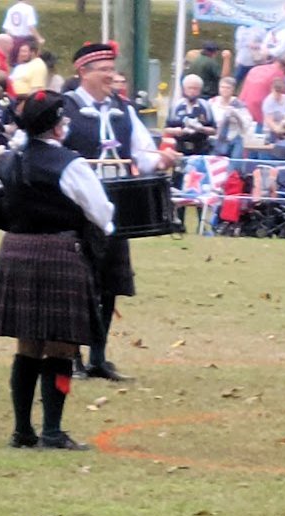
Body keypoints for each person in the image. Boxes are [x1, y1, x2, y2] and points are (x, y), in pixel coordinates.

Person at [0, 90, 114, 450]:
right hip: (59, 252)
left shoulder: (10, 160)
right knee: (61, 347)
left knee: (28, 344)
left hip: (16, 251)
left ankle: (22, 430)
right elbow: (102, 214)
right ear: (55, 126)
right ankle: (52, 431)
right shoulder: (71, 164)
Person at [61, 42, 174, 381]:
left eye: (112, 69)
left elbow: (143, 153)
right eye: (104, 70)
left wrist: (161, 159)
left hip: (116, 209)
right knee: (80, 286)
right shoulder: (65, 110)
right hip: (76, 210)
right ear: (83, 72)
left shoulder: (124, 112)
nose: (112, 75)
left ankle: (98, 356)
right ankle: (72, 357)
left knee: (108, 285)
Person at [165, 74, 217, 156]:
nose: (192, 91)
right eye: (189, 88)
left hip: (201, 149)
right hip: (180, 148)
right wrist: (178, 131)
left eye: (195, 88)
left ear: (200, 90)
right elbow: (166, 129)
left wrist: (201, 129)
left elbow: (214, 130)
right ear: (184, 89)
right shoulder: (176, 106)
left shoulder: (205, 106)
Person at [210, 76, 253, 158]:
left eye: (228, 88)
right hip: (216, 140)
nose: (224, 90)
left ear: (233, 89)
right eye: (222, 87)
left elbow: (247, 125)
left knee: (234, 165)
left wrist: (236, 116)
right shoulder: (212, 103)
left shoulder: (239, 105)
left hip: (234, 139)